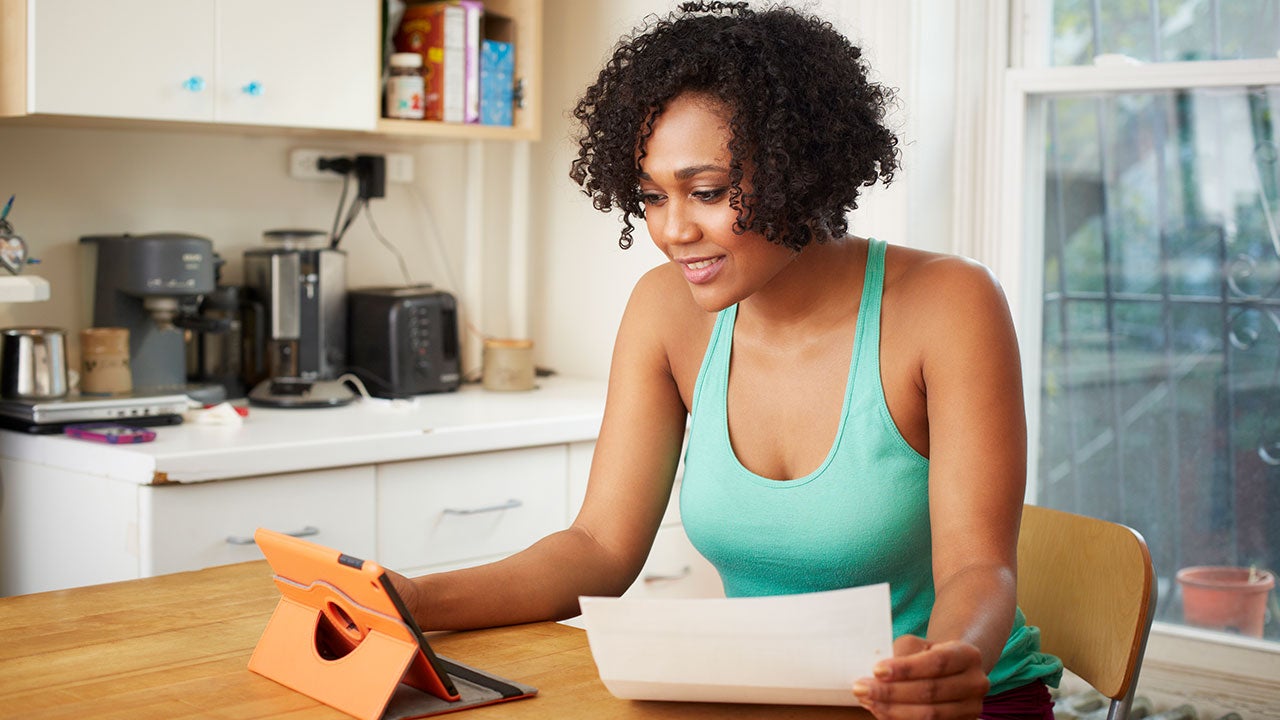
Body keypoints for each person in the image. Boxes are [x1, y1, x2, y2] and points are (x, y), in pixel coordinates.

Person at [390, 2, 1063, 718]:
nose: (674, 230)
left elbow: (977, 567)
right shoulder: (665, 311)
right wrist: (414, 599)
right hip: (765, 700)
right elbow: (597, 547)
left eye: (706, 192)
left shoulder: (947, 304)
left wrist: (949, 661)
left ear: (796, 171)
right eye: (652, 196)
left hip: (949, 703)